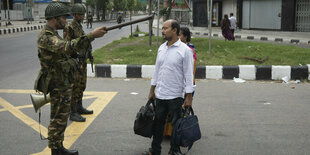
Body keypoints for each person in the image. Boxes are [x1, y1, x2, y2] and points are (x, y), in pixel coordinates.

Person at [35, 2, 106, 154]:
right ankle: (56, 150)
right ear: (55, 18)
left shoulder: (53, 33)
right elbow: (67, 47)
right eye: (63, 18)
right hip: (57, 84)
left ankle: (59, 147)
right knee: (58, 118)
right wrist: (91, 36)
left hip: (62, 82)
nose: (66, 21)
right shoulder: (47, 37)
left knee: (61, 118)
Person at [143, 19, 194, 155]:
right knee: (158, 124)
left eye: (165, 28)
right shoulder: (161, 48)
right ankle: (155, 150)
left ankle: (174, 151)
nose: (163, 31)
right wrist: (151, 90)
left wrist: (189, 97)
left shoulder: (185, 51)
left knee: (176, 125)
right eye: (162, 28)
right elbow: (156, 71)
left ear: (175, 30)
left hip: (176, 95)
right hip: (160, 94)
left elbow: (189, 76)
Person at [63, 3, 93, 122]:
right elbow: (67, 45)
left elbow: (85, 43)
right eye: (81, 14)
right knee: (74, 87)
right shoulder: (69, 27)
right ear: (75, 14)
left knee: (81, 85)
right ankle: (73, 112)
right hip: (75, 62)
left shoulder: (79, 27)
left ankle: (79, 107)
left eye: (83, 14)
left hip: (82, 61)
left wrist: (90, 55)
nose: (83, 16)